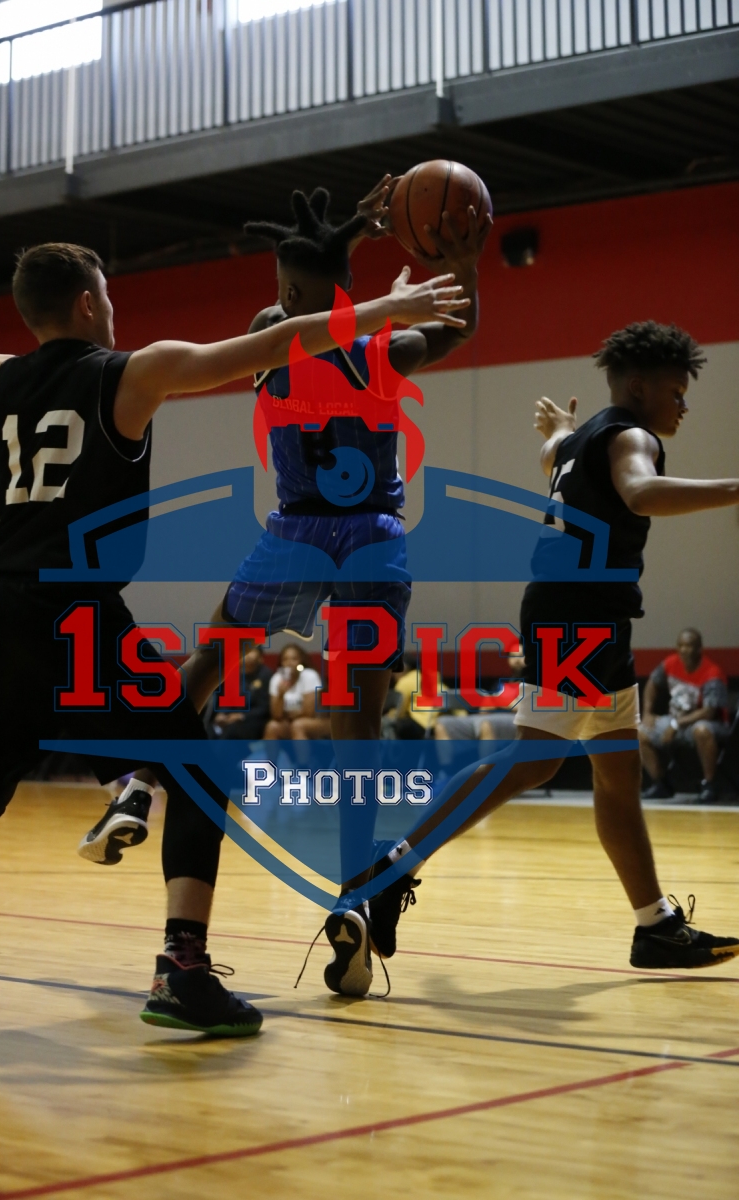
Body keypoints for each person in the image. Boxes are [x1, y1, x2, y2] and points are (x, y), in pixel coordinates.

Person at [0, 240, 468, 1035]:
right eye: (107, 294)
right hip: (74, 611)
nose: (112, 307)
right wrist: (386, 310)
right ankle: (182, 972)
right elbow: (265, 347)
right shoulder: (130, 373)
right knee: (199, 769)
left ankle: (134, 793)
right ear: (87, 303)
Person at [81, 178, 490, 998]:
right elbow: (458, 325)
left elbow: (305, 306)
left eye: (283, 285)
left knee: (210, 659)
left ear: (292, 292)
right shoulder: (385, 350)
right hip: (372, 535)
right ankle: (353, 888)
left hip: (296, 531)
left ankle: (139, 783)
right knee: (357, 721)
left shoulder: (271, 335)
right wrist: (461, 261)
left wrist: (355, 244)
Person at [364, 321, 739, 972]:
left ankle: (654, 926)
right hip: (580, 616)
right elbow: (640, 492)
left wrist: (558, 432)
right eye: (676, 392)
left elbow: (555, 459)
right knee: (534, 759)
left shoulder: (583, 440)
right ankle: (395, 865)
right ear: (639, 388)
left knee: (616, 773)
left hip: (583, 613)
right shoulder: (632, 438)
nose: (683, 405)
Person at [639, 628, 730, 803]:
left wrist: (676, 725)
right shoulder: (670, 663)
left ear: (699, 648)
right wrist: (647, 712)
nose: (683, 650)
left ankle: (709, 785)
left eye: (689, 646)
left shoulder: (712, 672)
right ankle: (661, 784)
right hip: (676, 721)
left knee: (701, 730)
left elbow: (709, 712)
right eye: (680, 645)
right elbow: (652, 683)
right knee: (638, 732)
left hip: (710, 724)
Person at [206, 643, 272, 741]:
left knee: (231, 731)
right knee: (208, 730)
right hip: (232, 718)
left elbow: (264, 707)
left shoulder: (265, 675)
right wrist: (222, 713)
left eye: (251, 651)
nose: (247, 655)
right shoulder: (234, 674)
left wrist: (242, 716)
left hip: (254, 720)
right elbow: (228, 700)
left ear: (260, 656)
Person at [264, 644, 328, 739]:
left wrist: (288, 715)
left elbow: (309, 713)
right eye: (285, 659)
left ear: (301, 661)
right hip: (291, 722)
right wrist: (281, 695)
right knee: (272, 726)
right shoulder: (276, 679)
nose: (289, 663)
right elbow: (276, 715)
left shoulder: (309, 676)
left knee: (298, 725)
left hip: (317, 721)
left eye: (294, 659)